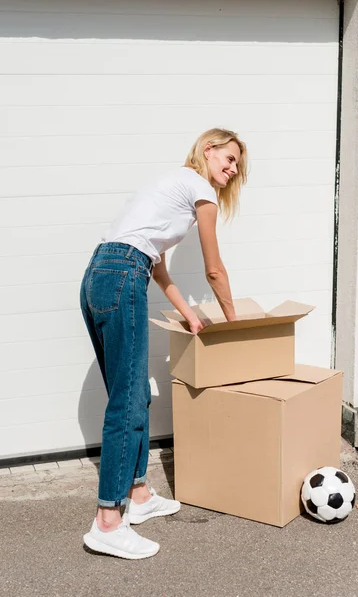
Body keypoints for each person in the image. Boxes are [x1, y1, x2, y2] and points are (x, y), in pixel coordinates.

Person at [80, 128, 248, 559]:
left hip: (101, 274)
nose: (232, 170)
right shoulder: (199, 189)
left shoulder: (172, 186)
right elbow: (215, 269)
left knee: (135, 394)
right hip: (122, 275)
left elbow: (159, 270)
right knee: (128, 402)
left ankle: (137, 495)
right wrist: (236, 326)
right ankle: (106, 522)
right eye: (228, 159)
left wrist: (190, 314)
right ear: (207, 151)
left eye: (237, 166)